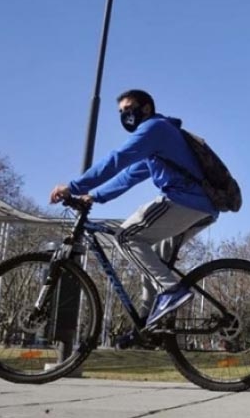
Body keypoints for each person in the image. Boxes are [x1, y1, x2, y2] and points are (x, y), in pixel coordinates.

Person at [50, 89, 218, 339]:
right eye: (120, 112)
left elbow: (117, 159)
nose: (125, 115)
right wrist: (95, 195)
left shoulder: (154, 128)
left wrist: (74, 187)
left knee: (126, 237)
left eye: (129, 109)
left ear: (146, 108)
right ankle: (150, 325)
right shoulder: (159, 139)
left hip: (184, 201)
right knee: (154, 261)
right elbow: (131, 175)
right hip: (201, 207)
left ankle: (172, 292)